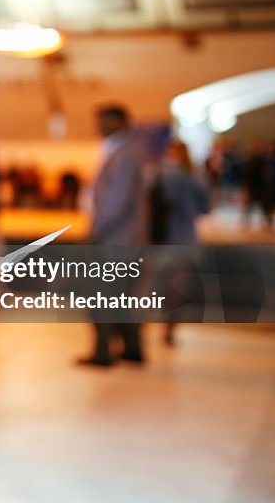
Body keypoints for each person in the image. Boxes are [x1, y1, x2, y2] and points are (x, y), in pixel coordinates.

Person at [79, 104, 147, 367]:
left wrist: (97, 229)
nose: (100, 126)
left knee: (101, 295)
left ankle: (103, 352)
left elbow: (118, 200)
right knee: (121, 296)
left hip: (115, 239)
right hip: (122, 238)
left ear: (120, 121)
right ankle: (131, 349)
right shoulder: (125, 150)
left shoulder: (126, 153)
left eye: (104, 121)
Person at [155, 140, 210, 345]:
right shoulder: (194, 177)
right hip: (185, 237)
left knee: (150, 285)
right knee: (177, 288)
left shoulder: (161, 174)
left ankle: (136, 330)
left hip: (160, 238)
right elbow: (206, 207)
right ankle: (169, 330)